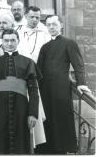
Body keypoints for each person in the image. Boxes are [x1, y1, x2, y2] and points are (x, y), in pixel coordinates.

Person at [36, 15, 91, 154]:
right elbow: (39, 69)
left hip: (61, 88)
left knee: (61, 117)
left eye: (54, 24)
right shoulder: (45, 47)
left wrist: (81, 83)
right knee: (47, 117)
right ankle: (47, 149)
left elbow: (78, 64)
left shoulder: (69, 43)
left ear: (61, 25)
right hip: (45, 89)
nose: (51, 27)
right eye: (48, 25)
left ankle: (62, 149)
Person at [0, 29, 39, 154]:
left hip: (21, 107)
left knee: (20, 140)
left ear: (18, 41)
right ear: (2, 42)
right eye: (6, 40)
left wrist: (33, 113)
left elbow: (33, 91)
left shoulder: (28, 62)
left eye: (12, 40)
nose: (9, 43)